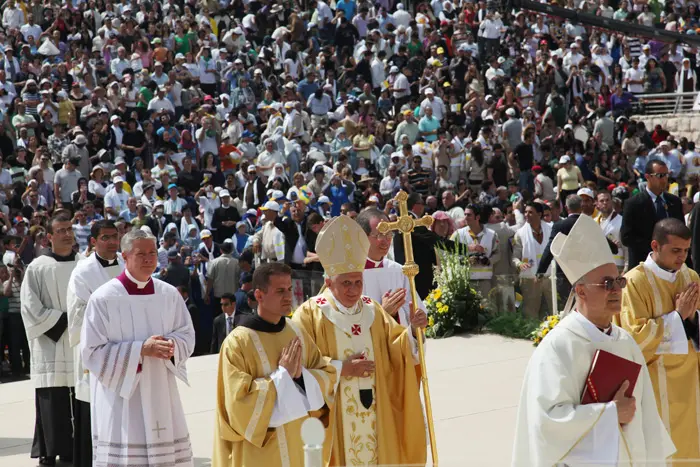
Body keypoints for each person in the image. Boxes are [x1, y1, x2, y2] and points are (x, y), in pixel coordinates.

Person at [512, 214, 675, 465]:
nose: (616, 290)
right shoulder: (558, 347)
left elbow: (645, 415)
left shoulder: (625, 342)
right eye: (606, 283)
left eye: (619, 281)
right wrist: (611, 413)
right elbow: (546, 423)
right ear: (580, 291)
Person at [292, 215, 428, 466]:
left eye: (358, 283)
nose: (353, 290)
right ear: (328, 282)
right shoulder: (310, 314)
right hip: (334, 419)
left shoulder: (372, 310)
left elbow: (396, 351)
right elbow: (299, 367)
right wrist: (343, 368)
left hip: (377, 411)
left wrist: (412, 332)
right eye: (345, 284)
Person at [80, 229, 195, 466]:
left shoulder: (168, 294)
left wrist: (170, 345)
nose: (148, 259)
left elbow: (187, 334)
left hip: (161, 387)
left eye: (152, 253)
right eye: (140, 253)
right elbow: (91, 352)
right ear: (124, 256)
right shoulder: (103, 298)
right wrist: (140, 350)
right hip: (123, 396)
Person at [212, 262, 339, 467]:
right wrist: (282, 377)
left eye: (289, 289)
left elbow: (326, 373)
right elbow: (237, 406)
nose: (288, 296)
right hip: (260, 453)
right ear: (259, 296)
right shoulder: (237, 343)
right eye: (280, 291)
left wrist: (300, 378)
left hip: (296, 443)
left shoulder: (296, 332)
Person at [616, 218, 700, 461]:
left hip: (690, 384)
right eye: (675, 250)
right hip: (655, 383)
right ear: (655, 245)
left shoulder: (691, 276)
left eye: (685, 250)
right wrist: (677, 317)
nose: (682, 257)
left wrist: (692, 318)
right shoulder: (634, 282)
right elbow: (634, 339)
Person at [20, 212, 81, 465]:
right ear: (49, 237)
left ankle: (75, 449)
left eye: (70, 229)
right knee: (51, 403)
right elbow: (29, 307)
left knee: (79, 400)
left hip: (78, 344)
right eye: (61, 230)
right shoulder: (37, 267)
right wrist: (62, 321)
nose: (67, 234)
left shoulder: (84, 264)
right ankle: (49, 450)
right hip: (51, 344)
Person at [66, 220, 124, 467]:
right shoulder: (83, 271)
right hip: (97, 352)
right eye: (106, 238)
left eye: (115, 236)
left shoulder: (126, 264)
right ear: (93, 241)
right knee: (95, 416)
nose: (112, 242)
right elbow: (79, 312)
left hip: (125, 351)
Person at [357, 208, 425, 328]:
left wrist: (417, 322)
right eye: (379, 235)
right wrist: (383, 313)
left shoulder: (398, 270)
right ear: (361, 237)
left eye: (389, 234)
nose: (386, 241)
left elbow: (413, 312)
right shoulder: (349, 274)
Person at [622, 160, 684, 269]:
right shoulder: (634, 203)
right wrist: (657, 249)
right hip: (644, 265)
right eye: (660, 175)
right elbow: (627, 237)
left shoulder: (674, 202)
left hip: (672, 266)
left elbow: (681, 232)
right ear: (647, 177)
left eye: (666, 175)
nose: (664, 179)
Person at [512, 202, 553, 319]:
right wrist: (519, 264)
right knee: (530, 312)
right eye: (525, 212)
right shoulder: (520, 233)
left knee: (553, 309)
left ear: (539, 214)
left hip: (550, 277)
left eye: (530, 212)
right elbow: (515, 257)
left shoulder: (551, 229)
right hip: (529, 279)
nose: (526, 215)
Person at [205, 239, 241, 316]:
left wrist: (207, 294)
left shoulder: (214, 262)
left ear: (221, 250)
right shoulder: (237, 263)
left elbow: (210, 280)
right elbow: (239, 279)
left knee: (218, 319)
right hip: (232, 296)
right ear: (231, 250)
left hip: (219, 297)